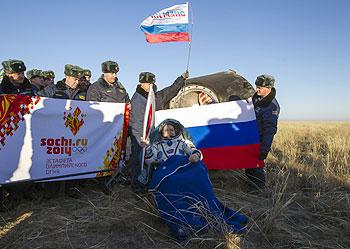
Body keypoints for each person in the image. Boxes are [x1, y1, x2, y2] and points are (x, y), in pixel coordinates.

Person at [141, 119, 248, 240]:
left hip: (185, 168)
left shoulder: (183, 143)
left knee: (198, 172)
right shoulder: (156, 145)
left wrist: (195, 156)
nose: (169, 132)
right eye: (166, 130)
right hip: (167, 171)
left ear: (176, 131)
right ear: (161, 132)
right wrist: (147, 147)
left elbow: (194, 151)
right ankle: (184, 223)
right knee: (172, 184)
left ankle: (207, 211)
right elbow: (149, 160)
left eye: (171, 129)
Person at [128, 71, 188, 193]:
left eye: (152, 83)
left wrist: (181, 79)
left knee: (152, 160)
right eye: (148, 83)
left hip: (153, 135)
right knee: (138, 159)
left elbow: (170, 91)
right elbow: (136, 122)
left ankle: (151, 181)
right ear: (141, 83)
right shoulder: (137, 99)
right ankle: (136, 185)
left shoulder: (154, 97)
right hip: (140, 136)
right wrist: (141, 138)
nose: (150, 85)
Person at [38, 64, 85, 198]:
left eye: (79, 79)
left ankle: (71, 188)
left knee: (73, 159)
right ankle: (51, 190)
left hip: (74, 133)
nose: (77, 82)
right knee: (54, 161)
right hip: (55, 132)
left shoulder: (82, 93)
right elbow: (38, 103)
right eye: (75, 79)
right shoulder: (51, 90)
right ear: (66, 77)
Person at [245, 74, 280, 189]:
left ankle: (259, 191)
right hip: (251, 138)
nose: (257, 89)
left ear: (269, 88)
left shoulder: (271, 106)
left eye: (260, 87)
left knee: (256, 166)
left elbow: (270, 130)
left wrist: (264, 149)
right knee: (249, 165)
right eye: (257, 86)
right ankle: (250, 187)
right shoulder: (256, 98)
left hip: (260, 141)